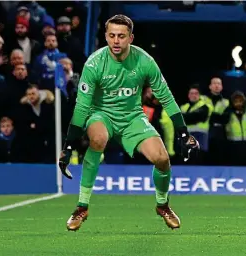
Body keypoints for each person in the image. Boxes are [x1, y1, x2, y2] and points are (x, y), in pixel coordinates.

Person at [57, 15, 199, 231]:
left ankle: (163, 205)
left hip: (133, 117)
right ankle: (81, 207)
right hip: (101, 114)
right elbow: (82, 108)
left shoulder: (144, 61)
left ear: (130, 38)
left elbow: (166, 97)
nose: (116, 41)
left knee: (162, 159)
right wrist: (68, 145)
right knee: (98, 138)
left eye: (121, 36)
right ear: (105, 36)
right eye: (112, 35)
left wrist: (182, 132)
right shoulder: (94, 64)